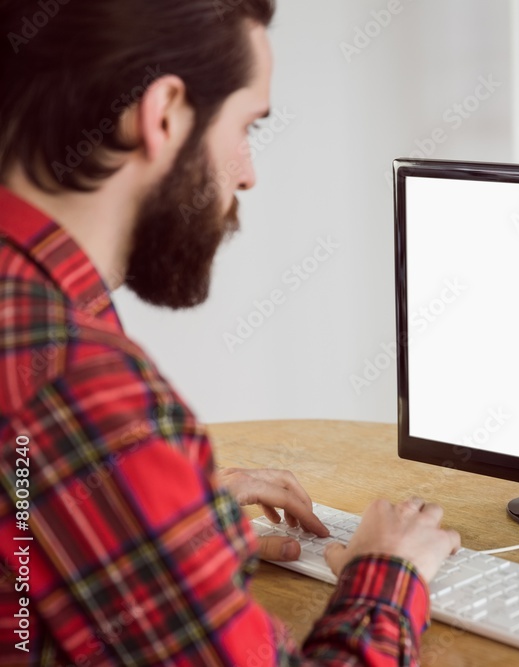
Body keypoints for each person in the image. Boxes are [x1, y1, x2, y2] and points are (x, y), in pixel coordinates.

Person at [0, 1, 460, 664]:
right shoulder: (76, 381)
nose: (248, 173)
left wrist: (169, 522)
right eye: (247, 125)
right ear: (162, 114)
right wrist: (387, 576)